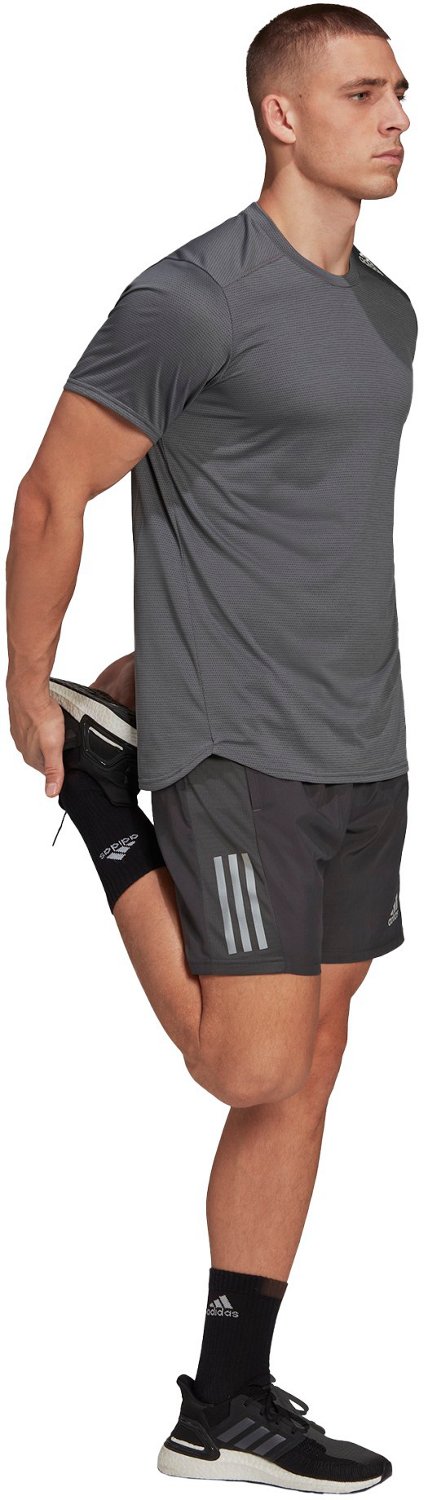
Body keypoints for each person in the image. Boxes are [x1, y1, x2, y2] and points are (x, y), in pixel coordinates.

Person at [5, 4, 417, 1490]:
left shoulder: (387, 314)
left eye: (402, 90)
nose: (398, 116)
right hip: (231, 738)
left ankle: (228, 1402)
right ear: (280, 116)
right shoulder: (191, 299)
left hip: (361, 738)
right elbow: (55, 490)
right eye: (362, 93)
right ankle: (112, 798)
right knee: (246, 1062)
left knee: (314, 1059)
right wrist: (29, 685)